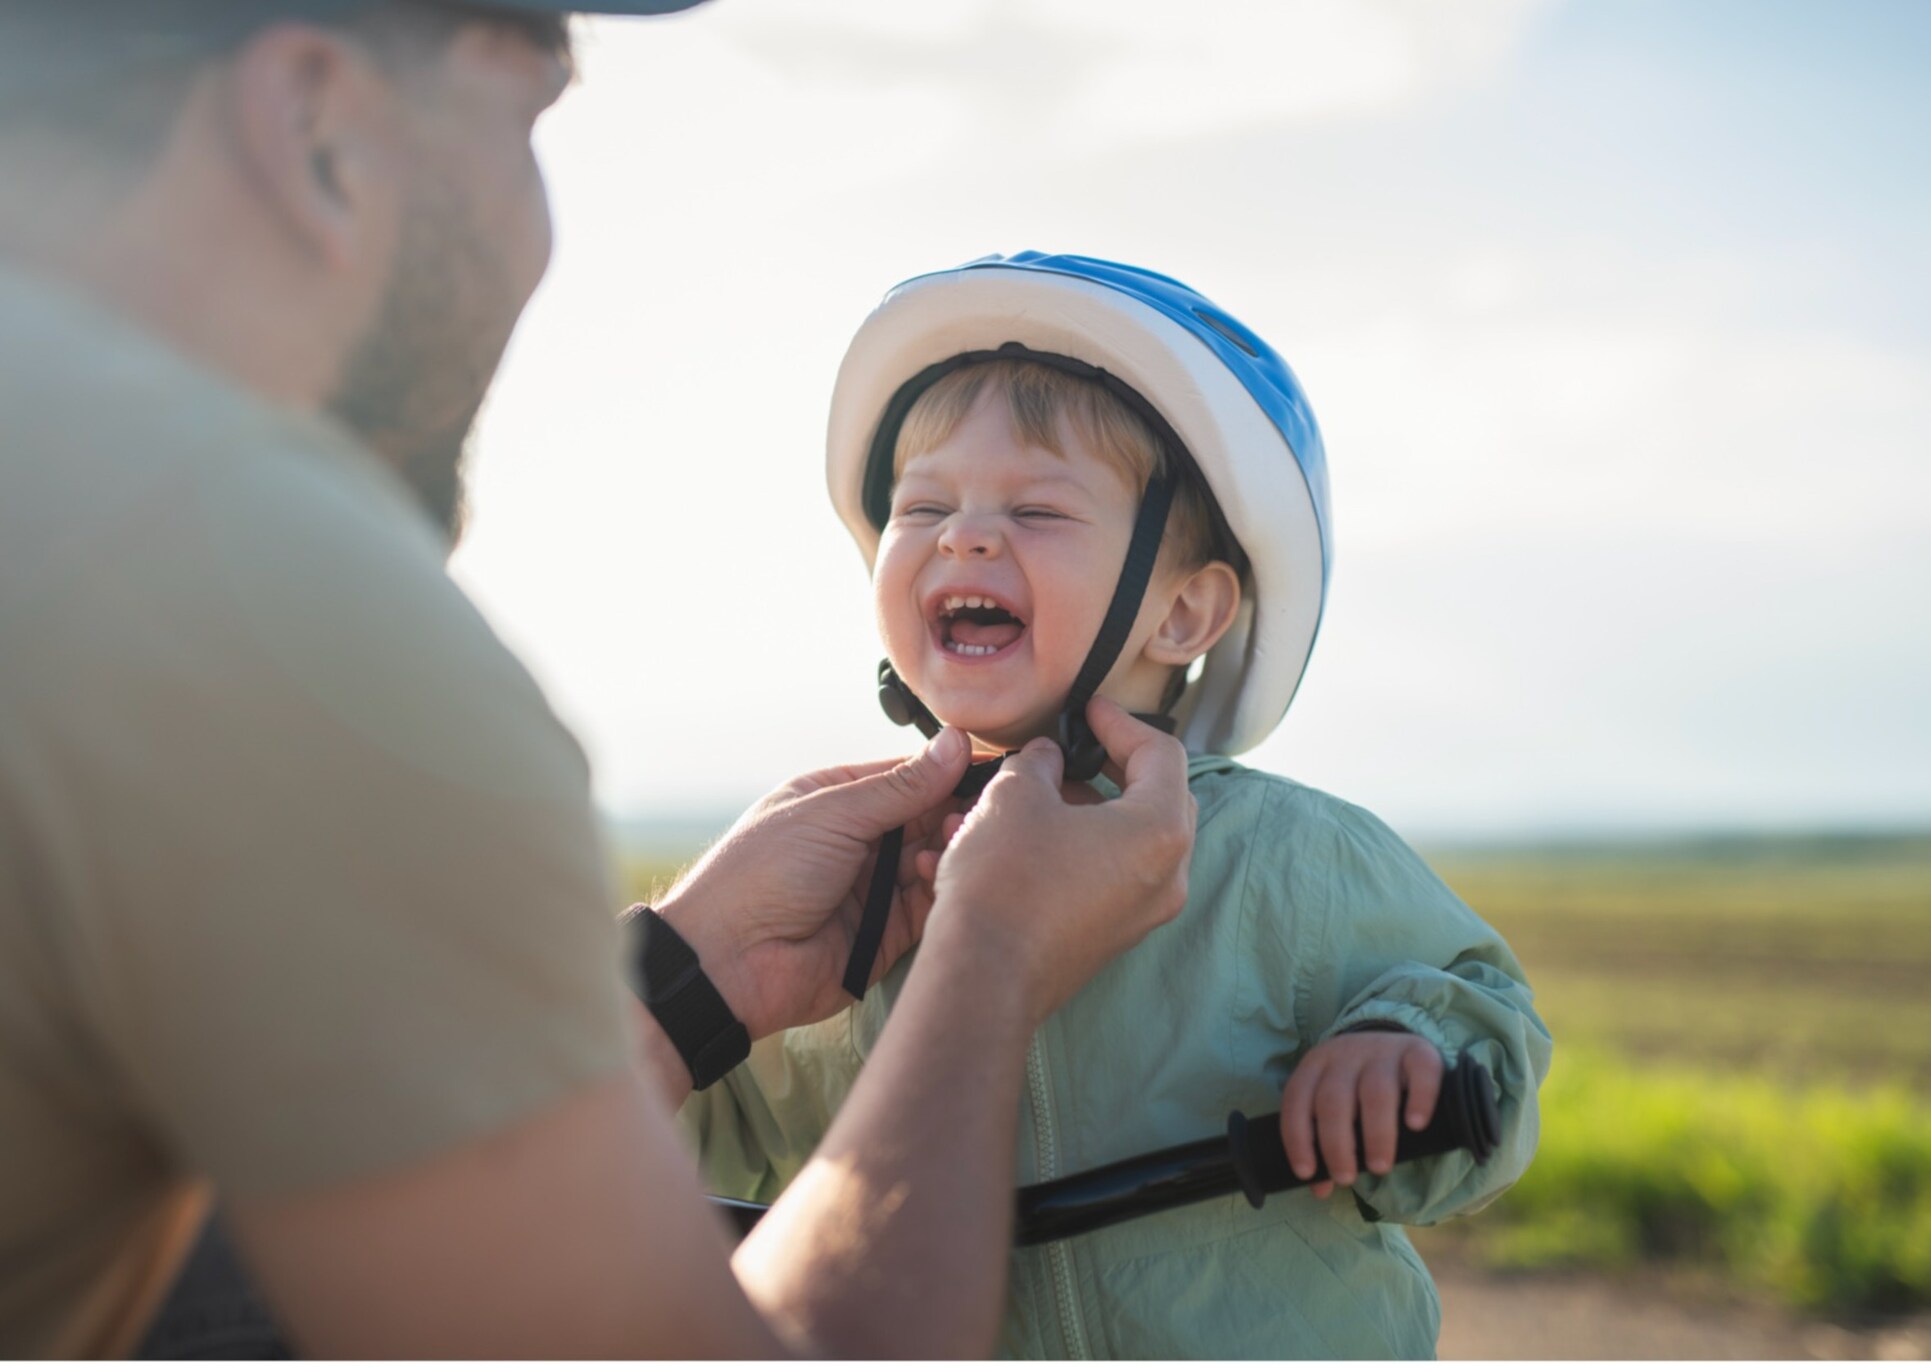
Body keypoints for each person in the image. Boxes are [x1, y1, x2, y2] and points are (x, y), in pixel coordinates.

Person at [0, 7, 1200, 1359]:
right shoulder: (246, 584)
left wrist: (690, 977)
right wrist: (990, 958)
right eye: (530, 125)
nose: (544, 233)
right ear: (319, 131)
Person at [681, 253, 1555, 1358]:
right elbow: (672, 1141)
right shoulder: (849, 885)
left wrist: (1404, 1046)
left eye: (1037, 508)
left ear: (1185, 612)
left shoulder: (1284, 856)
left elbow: (1482, 1014)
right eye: (925, 505)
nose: (965, 535)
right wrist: (673, 973)